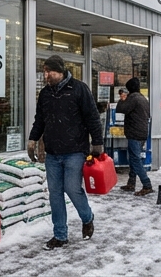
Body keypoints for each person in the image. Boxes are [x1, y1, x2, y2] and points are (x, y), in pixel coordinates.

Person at [28, 55, 102, 250]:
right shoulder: (45, 94)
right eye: (44, 71)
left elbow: (93, 118)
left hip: (75, 150)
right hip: (52, 152)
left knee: (72, 188)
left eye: (48, 71)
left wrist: (98, 143)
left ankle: (87, 217)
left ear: (60, 71)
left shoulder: (79, 89)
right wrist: (32, 140)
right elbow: (40, 120)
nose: (45, 75)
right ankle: (60, 235)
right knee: (55, 194)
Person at [118, 77, 152, 196]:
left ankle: (147, 184)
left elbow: (122, 109)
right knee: (134, 159)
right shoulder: (143, 98)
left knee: (135, 160)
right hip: (142, 133)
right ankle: (131, 182)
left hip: (134, 133)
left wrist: (122, 100)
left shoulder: (133, 98)